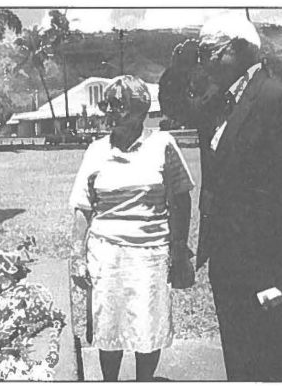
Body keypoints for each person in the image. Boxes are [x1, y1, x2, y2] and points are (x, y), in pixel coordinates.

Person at [190, 14, 282, 381]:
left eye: (207, 52)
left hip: (267, 262)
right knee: (238, 360)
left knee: (273, 360)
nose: (202, 62)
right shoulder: (216, 104)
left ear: (238, 50)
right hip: (227, 262)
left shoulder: (279, 99)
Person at [68, 75, 196, 381]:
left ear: (139, 110)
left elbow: (181, 198)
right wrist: (78, 256)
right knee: (108, 326)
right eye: (107, 105)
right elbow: (83, 207)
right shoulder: (96, 150)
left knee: (147, 326)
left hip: (150, 253)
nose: (109, 112)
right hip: (106, 254)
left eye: (118, 106)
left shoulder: (163, 143)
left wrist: (179, 248)